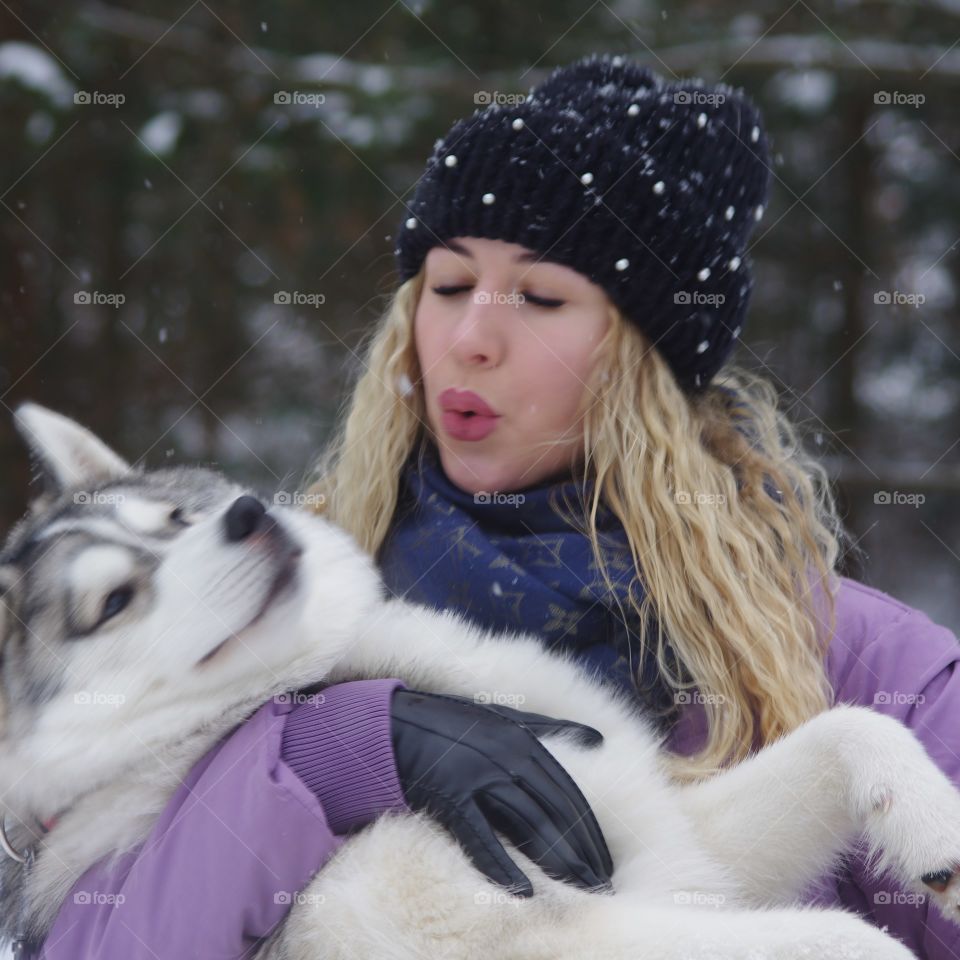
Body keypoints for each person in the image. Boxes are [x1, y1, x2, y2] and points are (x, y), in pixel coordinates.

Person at [33, 53, 960, 960]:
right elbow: (87, 939)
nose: (472, 339)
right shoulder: (256, 604)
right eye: (446, 286)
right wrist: (322, 756)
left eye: (542, 298)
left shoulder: (864, 660)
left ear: (639, 358)